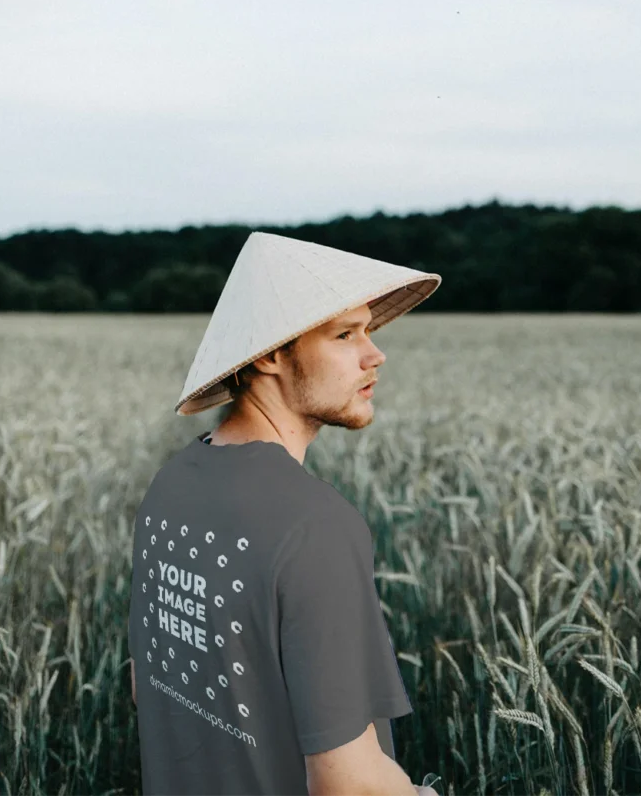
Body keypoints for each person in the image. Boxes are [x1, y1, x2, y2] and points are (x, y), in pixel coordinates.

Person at [128, 230, 442, 795]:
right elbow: (349, 785)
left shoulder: (168, 487)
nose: (376, 354)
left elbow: (147, 683)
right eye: (345, 333)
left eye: (369, 330)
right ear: (271, 352)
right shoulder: (314, 525)